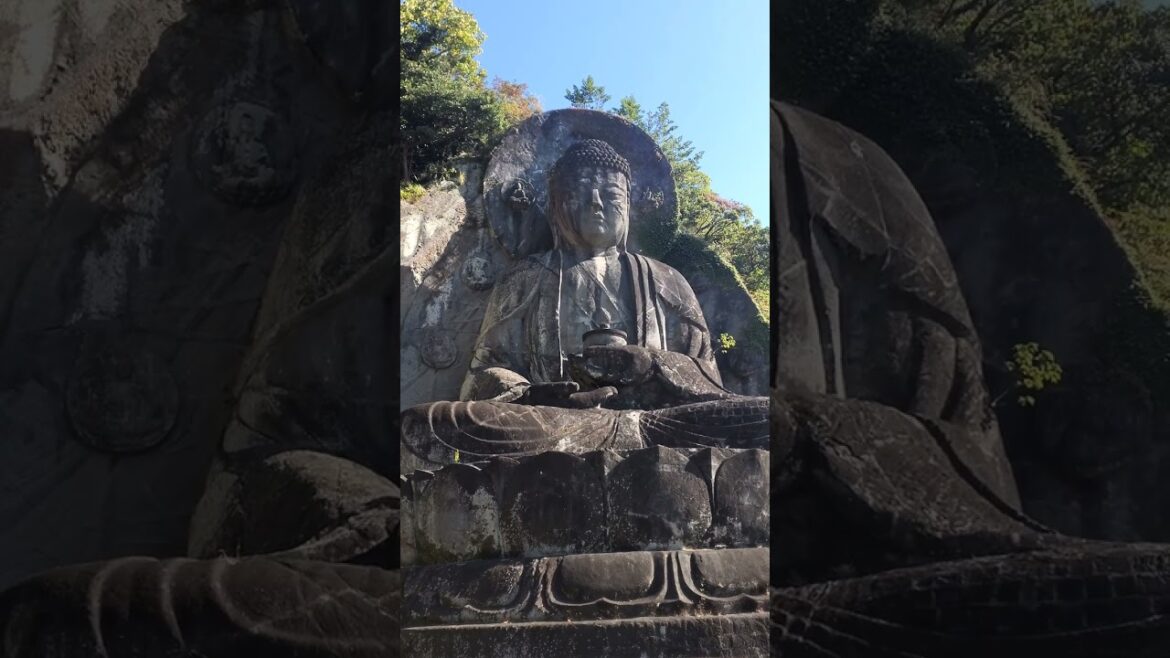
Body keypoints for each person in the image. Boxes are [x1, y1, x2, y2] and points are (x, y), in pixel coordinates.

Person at [401, 139, 768, 469]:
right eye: (580, 193)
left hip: (657, 421)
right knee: (430, 424)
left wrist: (653, 364)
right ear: (556, 205)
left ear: (629, 207)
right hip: (556, 423)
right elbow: (484, 372)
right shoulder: (525, 276)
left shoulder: (666, 279)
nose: (596, 202)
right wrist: (532, 395)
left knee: (766, 417)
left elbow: (708, 379)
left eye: (611, 194)